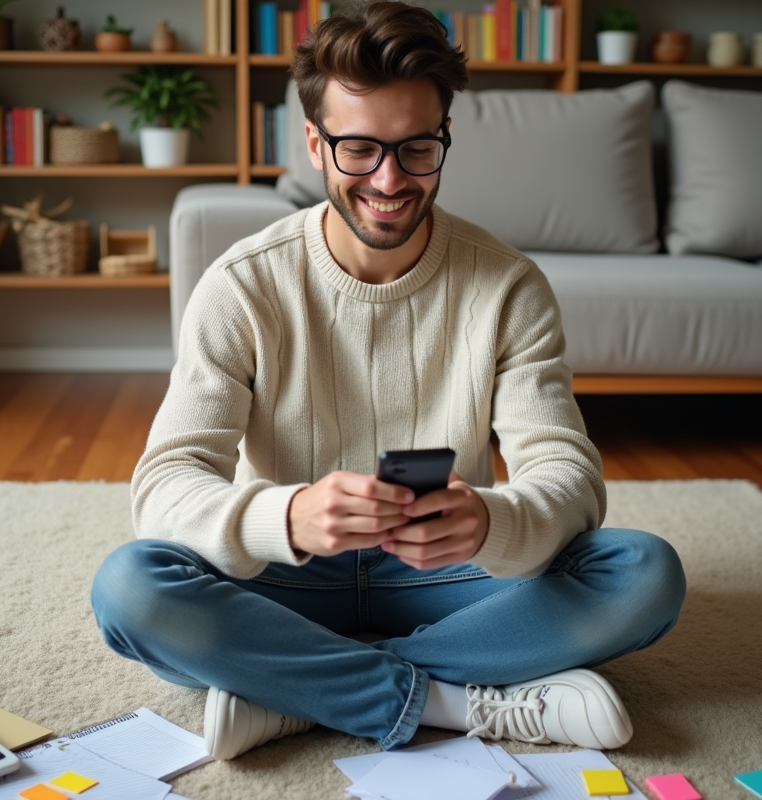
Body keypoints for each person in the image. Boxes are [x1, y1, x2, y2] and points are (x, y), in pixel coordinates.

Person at [91, 0, 686, 761]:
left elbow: (568, 476)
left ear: (445, 137)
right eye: (360, 149)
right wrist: (291, 515)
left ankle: (294, 695)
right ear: (314, 142)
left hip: (449, 573)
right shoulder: (240, 285)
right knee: (129, 589)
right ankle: (456, 702)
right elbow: (166, 484)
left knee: (643, 573)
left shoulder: (508, 286)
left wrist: (492, 522)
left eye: (416, 150)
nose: (389, 180)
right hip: (285, 573)